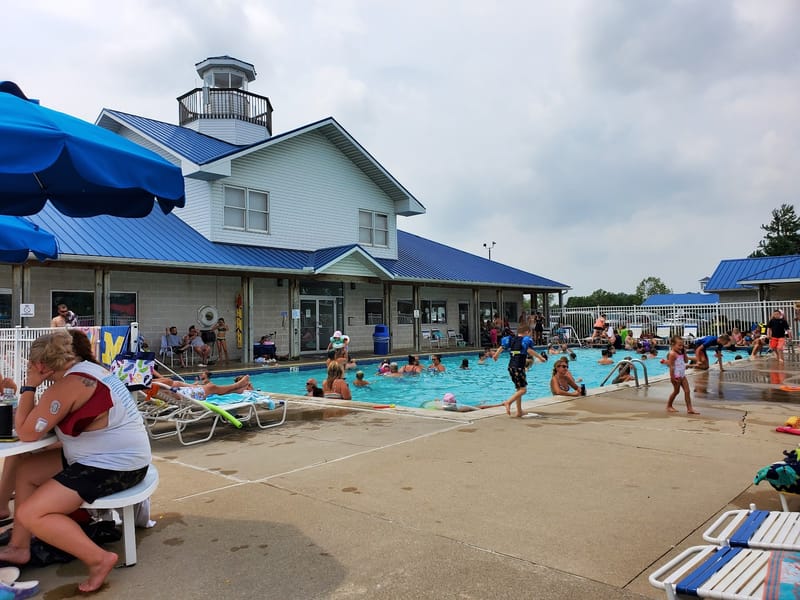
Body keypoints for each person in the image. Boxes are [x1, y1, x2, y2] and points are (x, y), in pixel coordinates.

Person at [0, 329, 151, 592]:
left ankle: (98, 559)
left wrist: (30, 385)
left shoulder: (69, 385)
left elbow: (26, 432)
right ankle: (19, 547)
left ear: (40, 365)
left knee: (31, 512)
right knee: (27, 470)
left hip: (115, 465)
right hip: (114, 455)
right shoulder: (89, 370)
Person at [493, 323, 547, 417]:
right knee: (523, 390)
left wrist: (496, 355)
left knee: (519, 389)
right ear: (527, 332)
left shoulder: (512, 339)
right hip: (518, 367)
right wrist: (540, 357)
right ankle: (508, 402)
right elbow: (529, 350)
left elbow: (502, 347)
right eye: (530, 333)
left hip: (511, 367)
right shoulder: (525, 340)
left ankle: (519, 411)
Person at [666, 335, 699, 414]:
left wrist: (684, 352)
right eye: (679, 345)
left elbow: (686, 361)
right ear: (673, 344)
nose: (681, 347)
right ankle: (669, 406)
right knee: (676, 392)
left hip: (682, 375)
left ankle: (689, 409)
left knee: (687, 391)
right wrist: (672, 377)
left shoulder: (681, 352)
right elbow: (671, 366)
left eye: (682, 345)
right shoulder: (672, 354)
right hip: (676, 376)